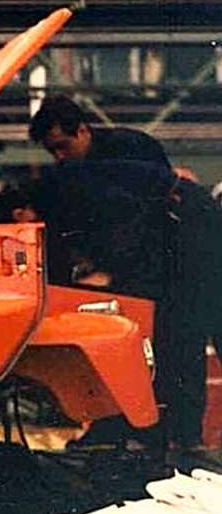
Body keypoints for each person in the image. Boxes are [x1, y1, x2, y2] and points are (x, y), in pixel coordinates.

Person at [32, 159, 222, 450]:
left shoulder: (75, 189)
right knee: (179, 341)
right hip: (176, 242)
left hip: (186, 246)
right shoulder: (80, 181)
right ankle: (176, 435)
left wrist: (110, 273)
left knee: (186, 339)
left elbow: (130, 227)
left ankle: (180, 436)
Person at [29, 94, 171, 167]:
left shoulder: (131, 147)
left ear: (82, 131)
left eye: (63, 146)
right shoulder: (71, 169)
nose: (59, 156)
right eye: (52, 151)